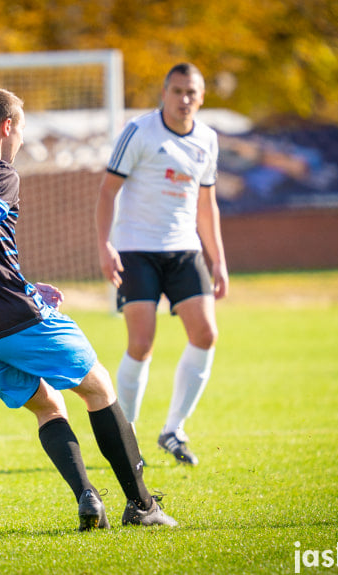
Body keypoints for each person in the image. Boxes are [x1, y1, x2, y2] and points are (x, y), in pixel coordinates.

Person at [0, 87, 176, 529]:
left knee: (48, 406)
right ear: (7, 127)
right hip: (2, 317)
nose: (21, 141)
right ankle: (143, 507)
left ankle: (87, 498)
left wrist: (13, 286)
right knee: (98, 388)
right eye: (21, 130)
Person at [95, 63, 228, 467]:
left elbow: (207, 204)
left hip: (184, 251)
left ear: (201, 97)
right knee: (141, 343)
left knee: (206, 334)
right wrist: (105, 246)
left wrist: (217, 259)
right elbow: (107, 192)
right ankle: (127, 433)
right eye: (177, 91)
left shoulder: (207, 139)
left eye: (191, 92)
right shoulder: (139, 132)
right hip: (136, 250)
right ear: (164, 93)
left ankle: (173, 429)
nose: (184, 99)